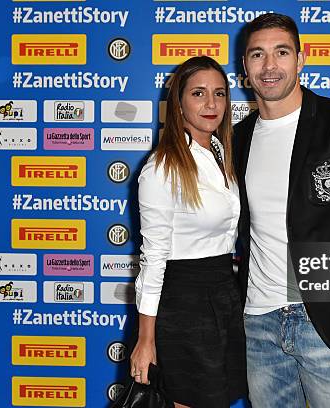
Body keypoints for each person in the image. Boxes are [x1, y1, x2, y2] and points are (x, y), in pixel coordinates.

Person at [233, 13, 330, 408]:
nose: (270, 66)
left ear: (301, 60)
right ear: (245, 68)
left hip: (327, 323)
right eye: (258, 55)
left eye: (281, 52)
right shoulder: (237, 138)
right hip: (258, 322)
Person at [130, 56, 247, 408]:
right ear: (178, 103)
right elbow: (153, 261)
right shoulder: (161, 169)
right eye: (199, 93)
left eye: (220, 93)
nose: (211, 104)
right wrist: (146, 339)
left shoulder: (221, 155)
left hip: (225, 296)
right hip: (184, 305)